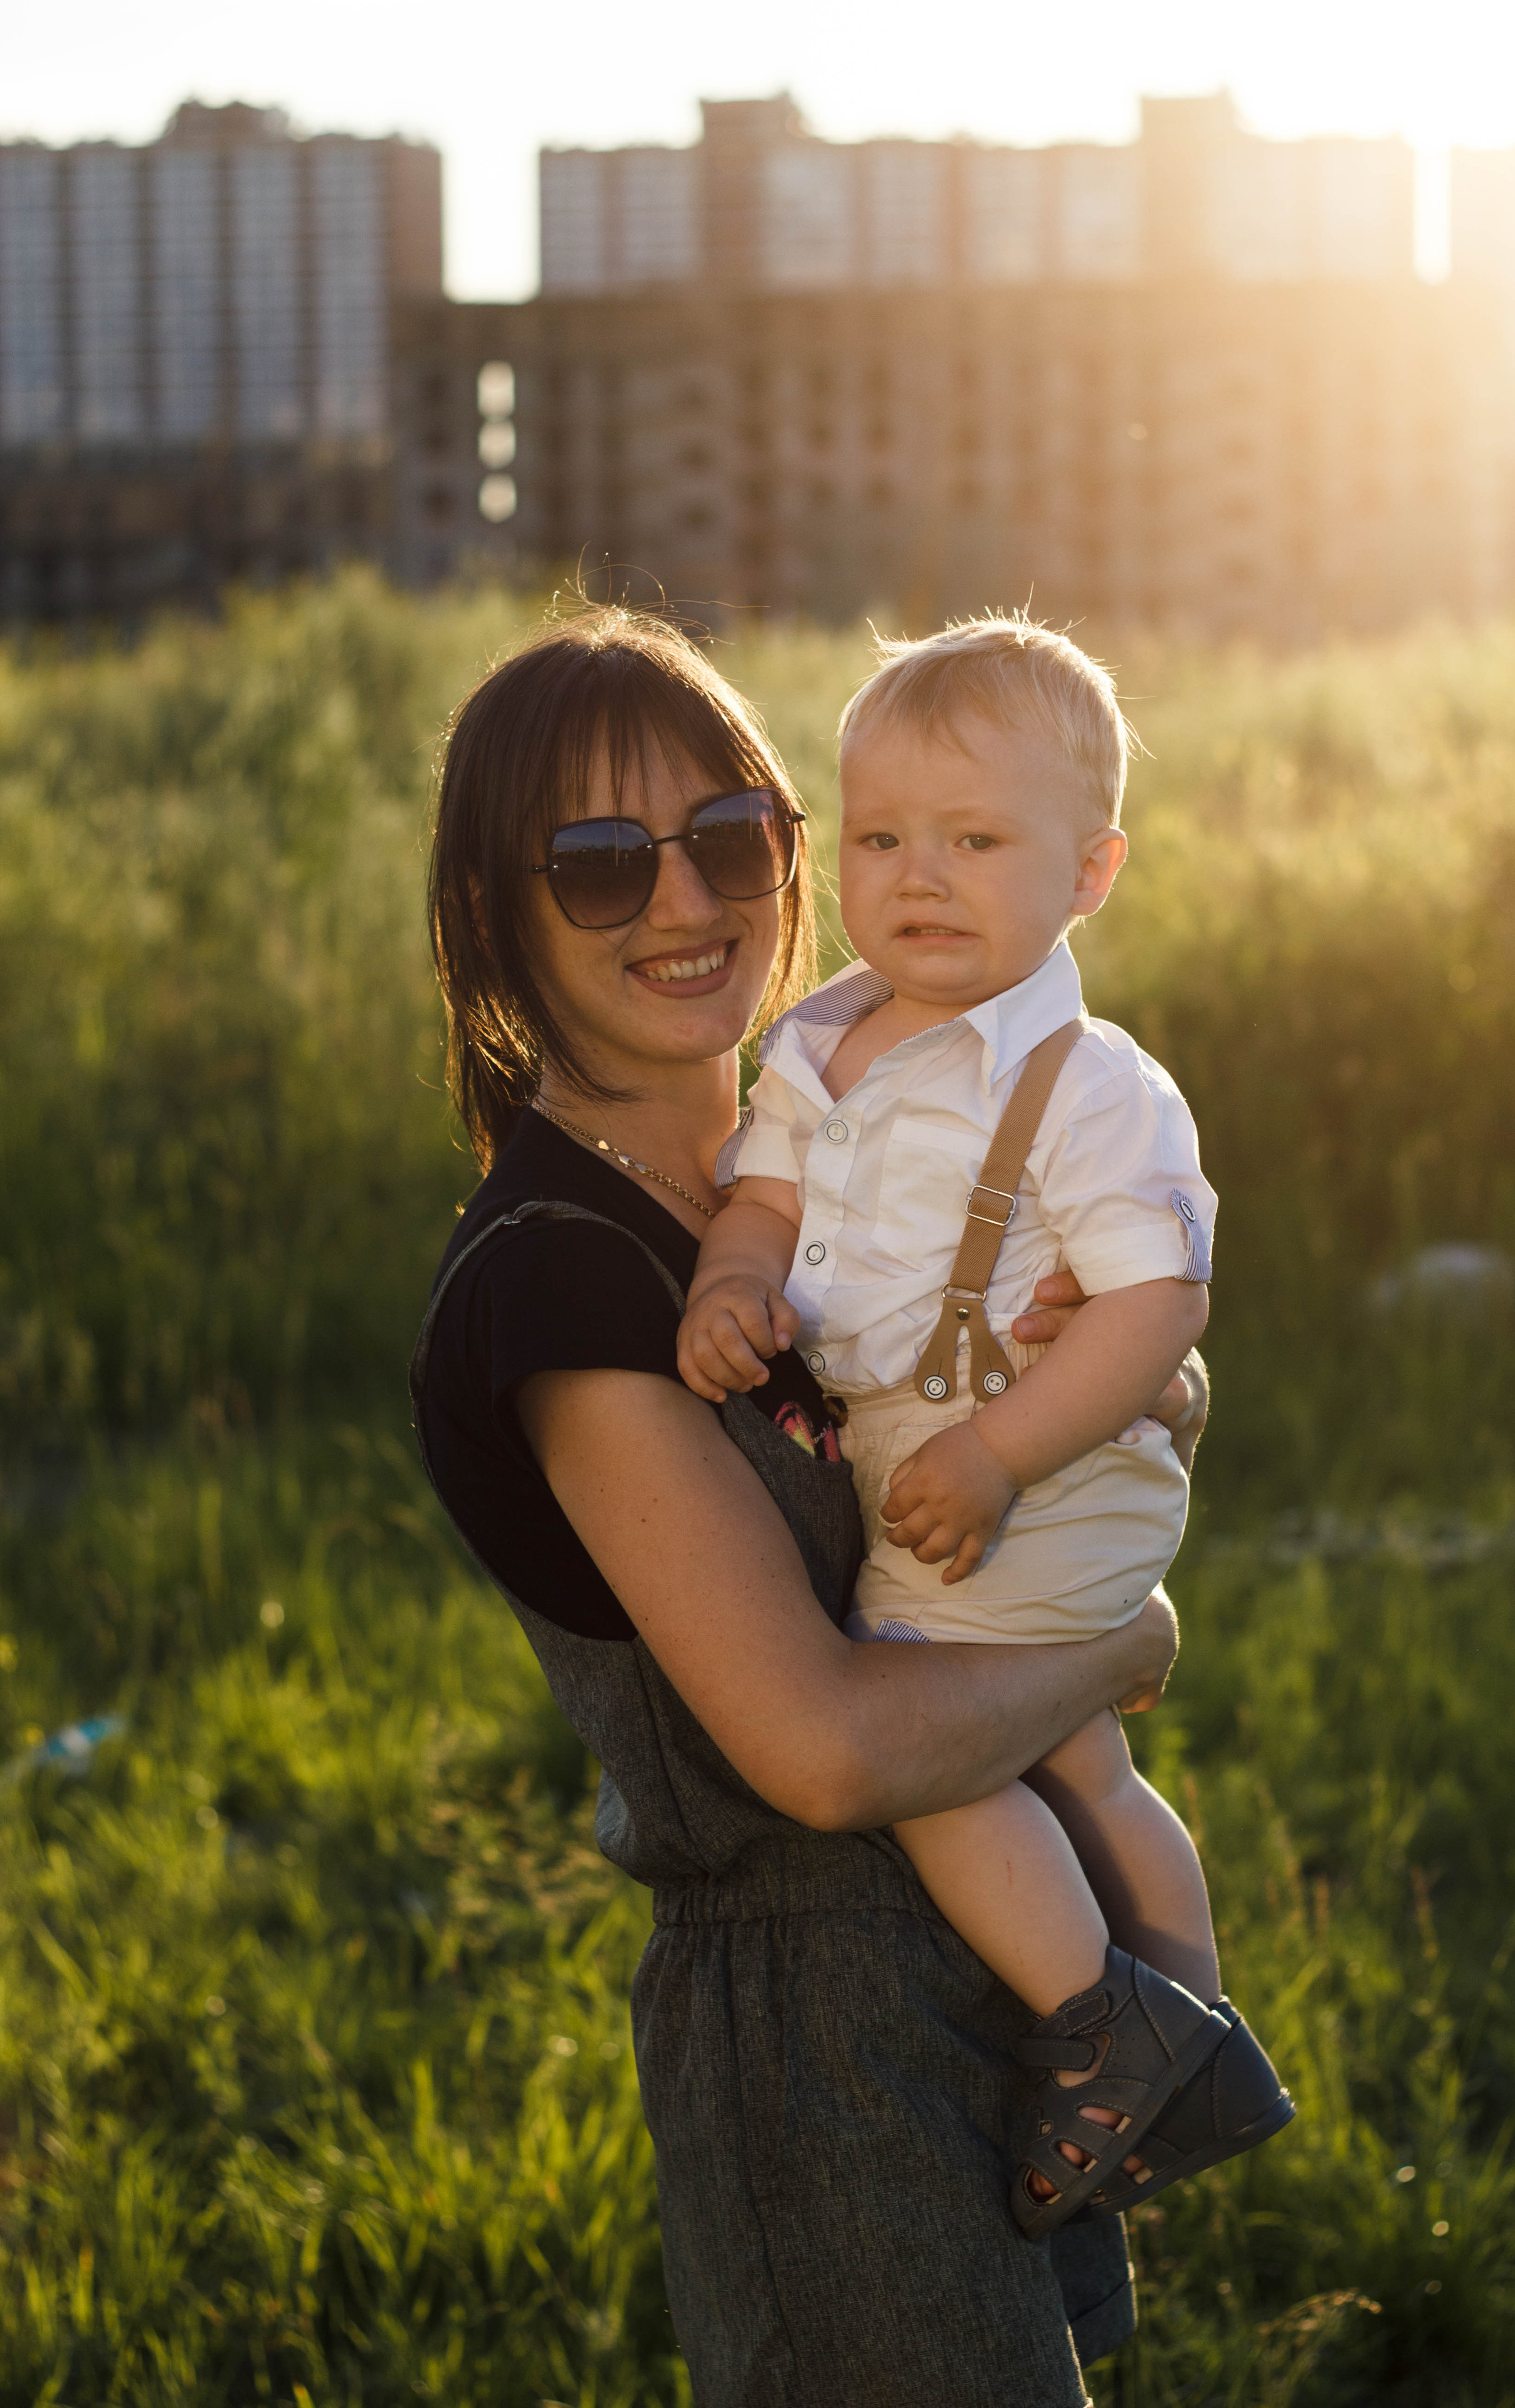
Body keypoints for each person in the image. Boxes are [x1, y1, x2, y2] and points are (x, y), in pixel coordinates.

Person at [412, 605, 1205, 2408]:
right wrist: (1118, 1645)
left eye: (731, 839)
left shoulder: (835, 1144)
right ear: (495, 912)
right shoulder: (557, 1284)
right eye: (603, 866)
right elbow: (828, 1753)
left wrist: (1136, 1374)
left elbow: (1097, 1361)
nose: (686, 906)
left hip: (997, 1988)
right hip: (822, 2056)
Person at [678, 614, 1293, 2231]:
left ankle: (1107, 2028)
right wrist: (728, 1286)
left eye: (974, 839)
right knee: (1074, 1756)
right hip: (933, 1448)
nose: (919, 877)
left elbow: (1160, 1307)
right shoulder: (820, 1041)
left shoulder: (1095, 1087)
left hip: (1039, 1454)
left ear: (1089, 876)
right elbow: (759, 1195)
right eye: (878, 837)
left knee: (924, 1738)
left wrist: (998, 1451)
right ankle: (1197, 2012)